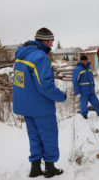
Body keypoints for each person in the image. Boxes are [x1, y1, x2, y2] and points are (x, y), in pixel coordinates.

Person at [13, 27, 66, 178]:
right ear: (45, 40)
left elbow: (20, 81)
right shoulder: (40, 57)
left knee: (34, 136)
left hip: (25, 105)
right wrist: (62, 97)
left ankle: (35, 168)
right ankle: (50, 168)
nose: (52, 44)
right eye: (51, 41)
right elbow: (45, 86)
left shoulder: (22, 55)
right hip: (40, 106)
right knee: (49, 136)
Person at [72, 55, 99, 119]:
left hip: (91, 90)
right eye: (83, 60)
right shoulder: (77, 69)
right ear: (81, 61)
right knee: (83, 104)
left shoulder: (88, 68)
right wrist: (77, 92)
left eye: (86, 60)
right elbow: (75, 81)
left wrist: (93, 85)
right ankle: (84, 116)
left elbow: (91, 78)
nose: (85, 62)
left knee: (96, 101)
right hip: (83, 91)